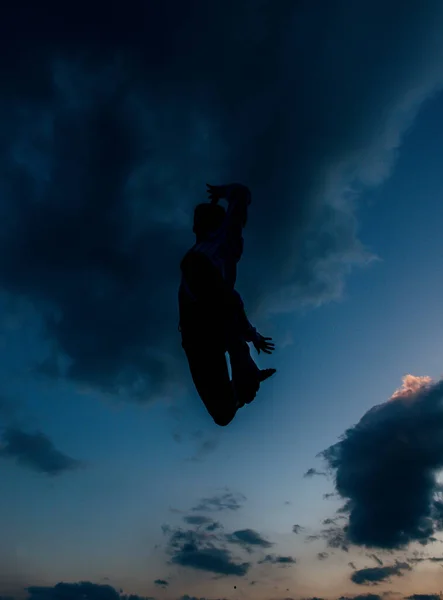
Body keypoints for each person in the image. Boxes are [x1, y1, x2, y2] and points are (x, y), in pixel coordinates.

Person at [178, 183, 276, 426]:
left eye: (200, 220)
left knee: (202, 273)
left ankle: (243, 364)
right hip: (197, 337)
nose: (196, 225)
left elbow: (242, 195)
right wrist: (253, 336)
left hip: (216, 319)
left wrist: (223, 193)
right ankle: (245, 383)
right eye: (196, 221)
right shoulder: (196, 251)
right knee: (223, 416)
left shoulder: (224, 240)